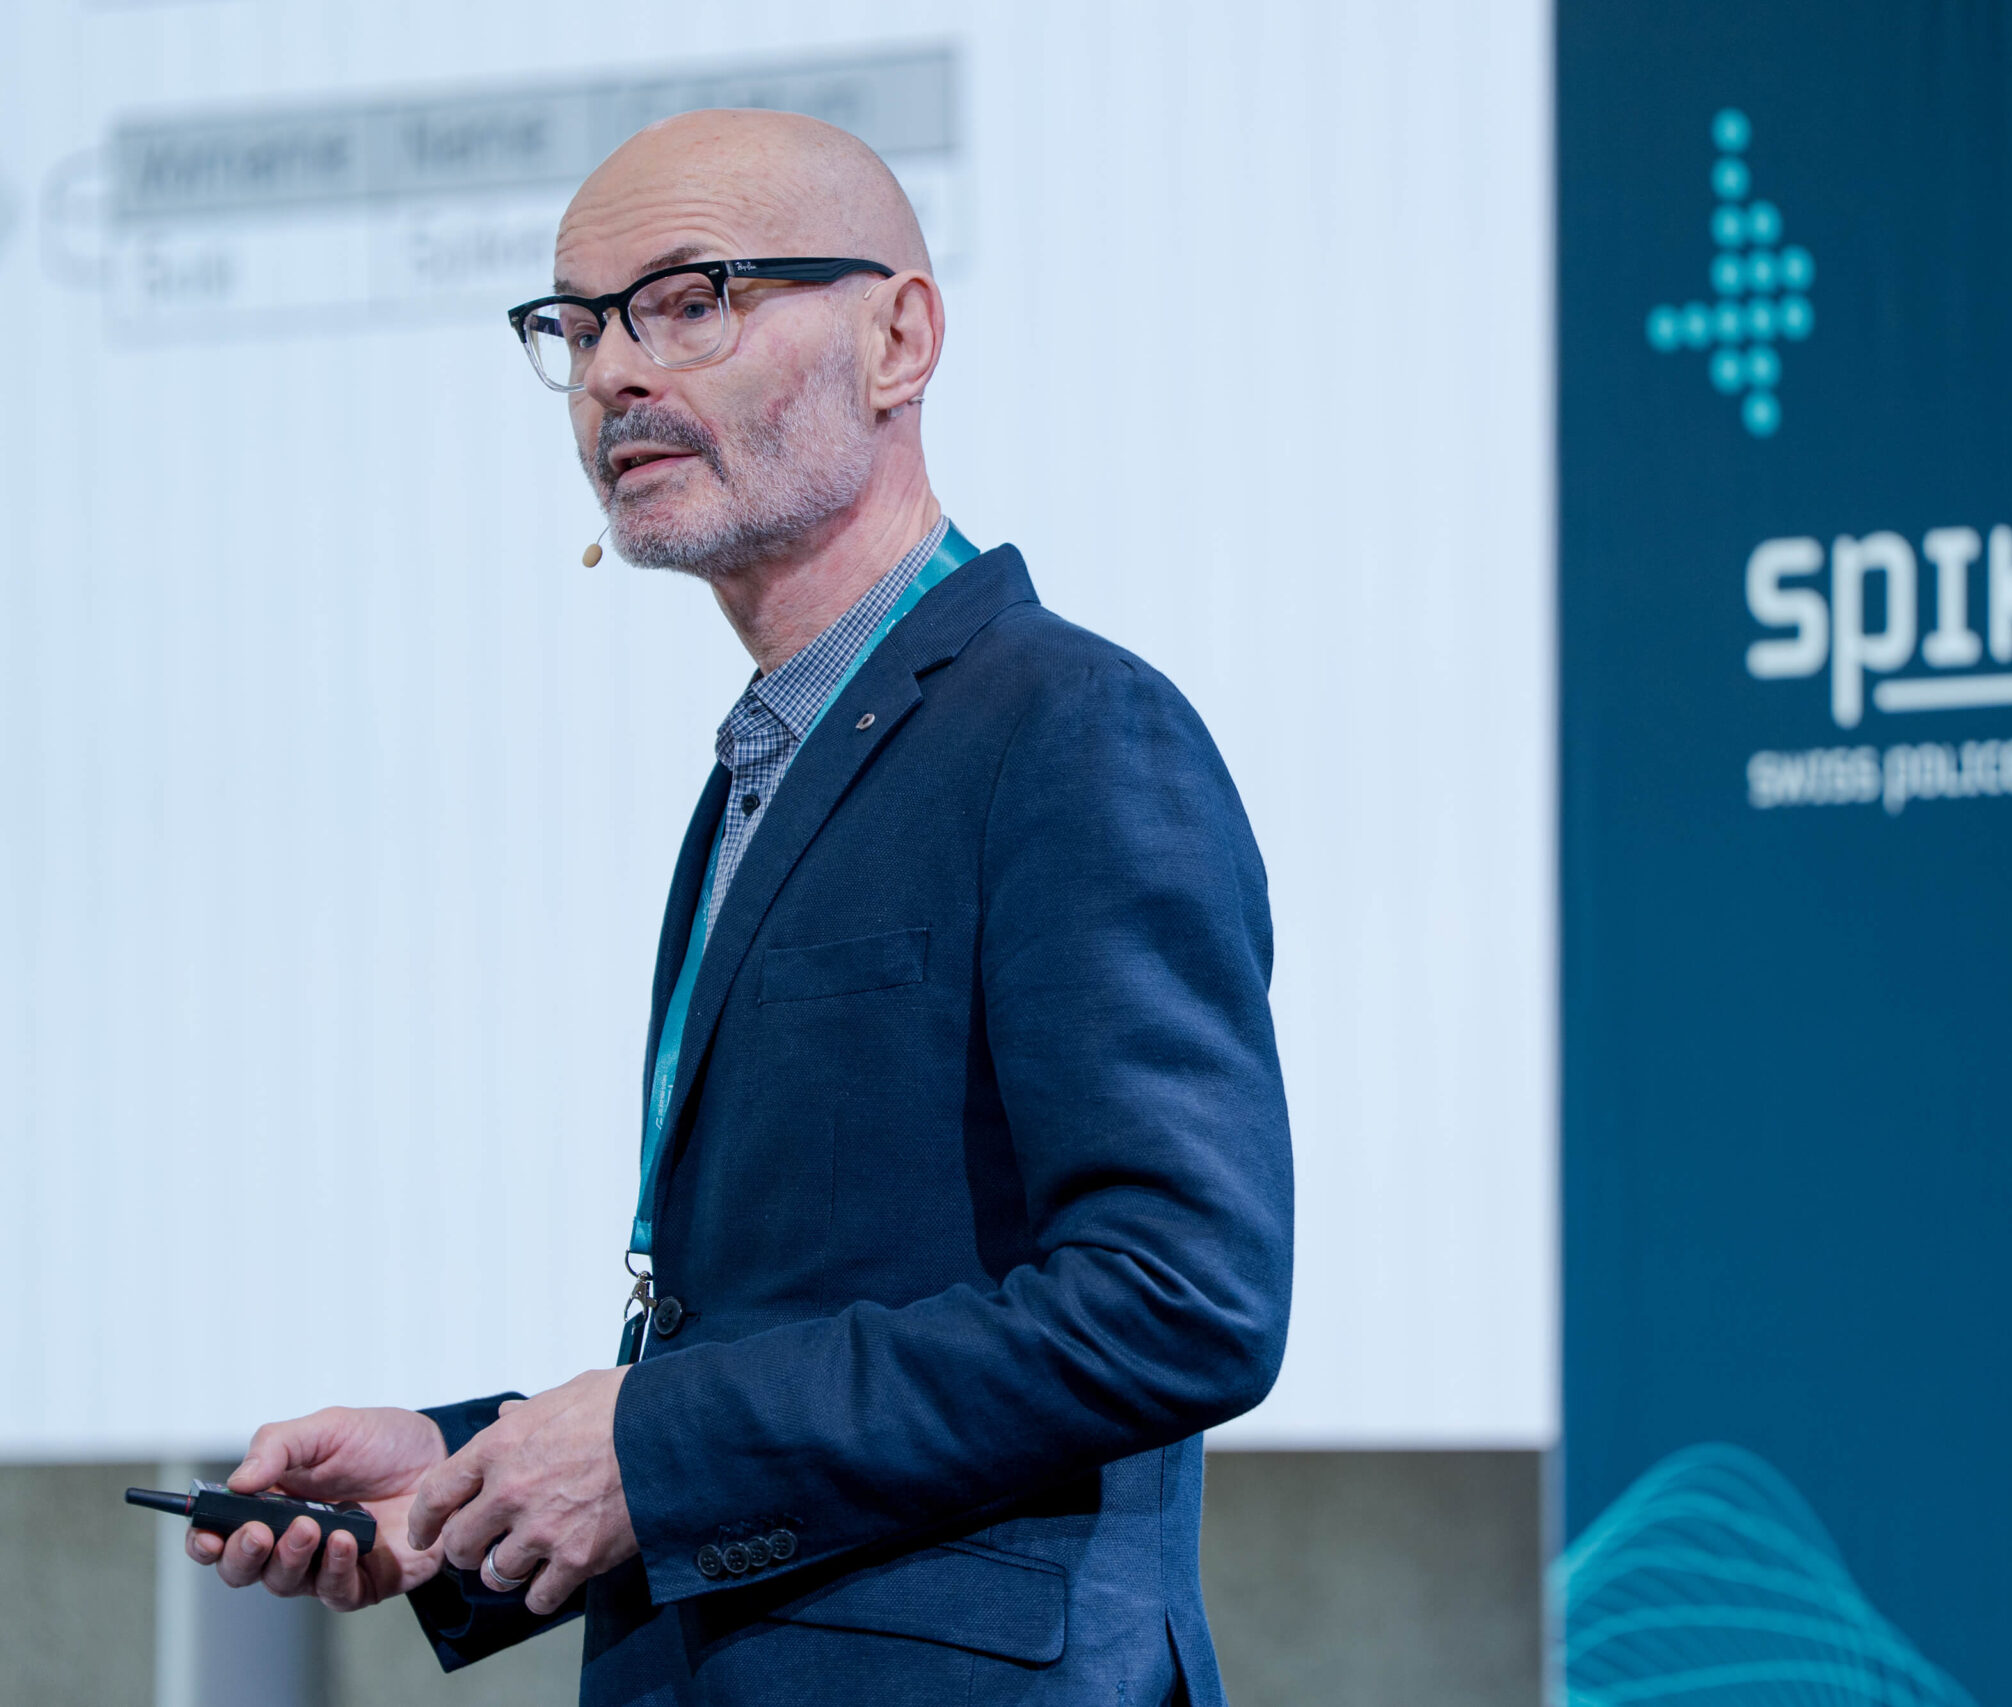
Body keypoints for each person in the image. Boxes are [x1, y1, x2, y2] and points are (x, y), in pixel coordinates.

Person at [185, 108, 1294, 1706]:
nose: (614, 375)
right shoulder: (772, 758)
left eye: (690, 300)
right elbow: (795, 1313)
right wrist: (467, 1475)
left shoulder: (1068, 728)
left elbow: (1179, 1300)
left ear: (899, 340)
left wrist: (651, 1447)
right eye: (578, 328)